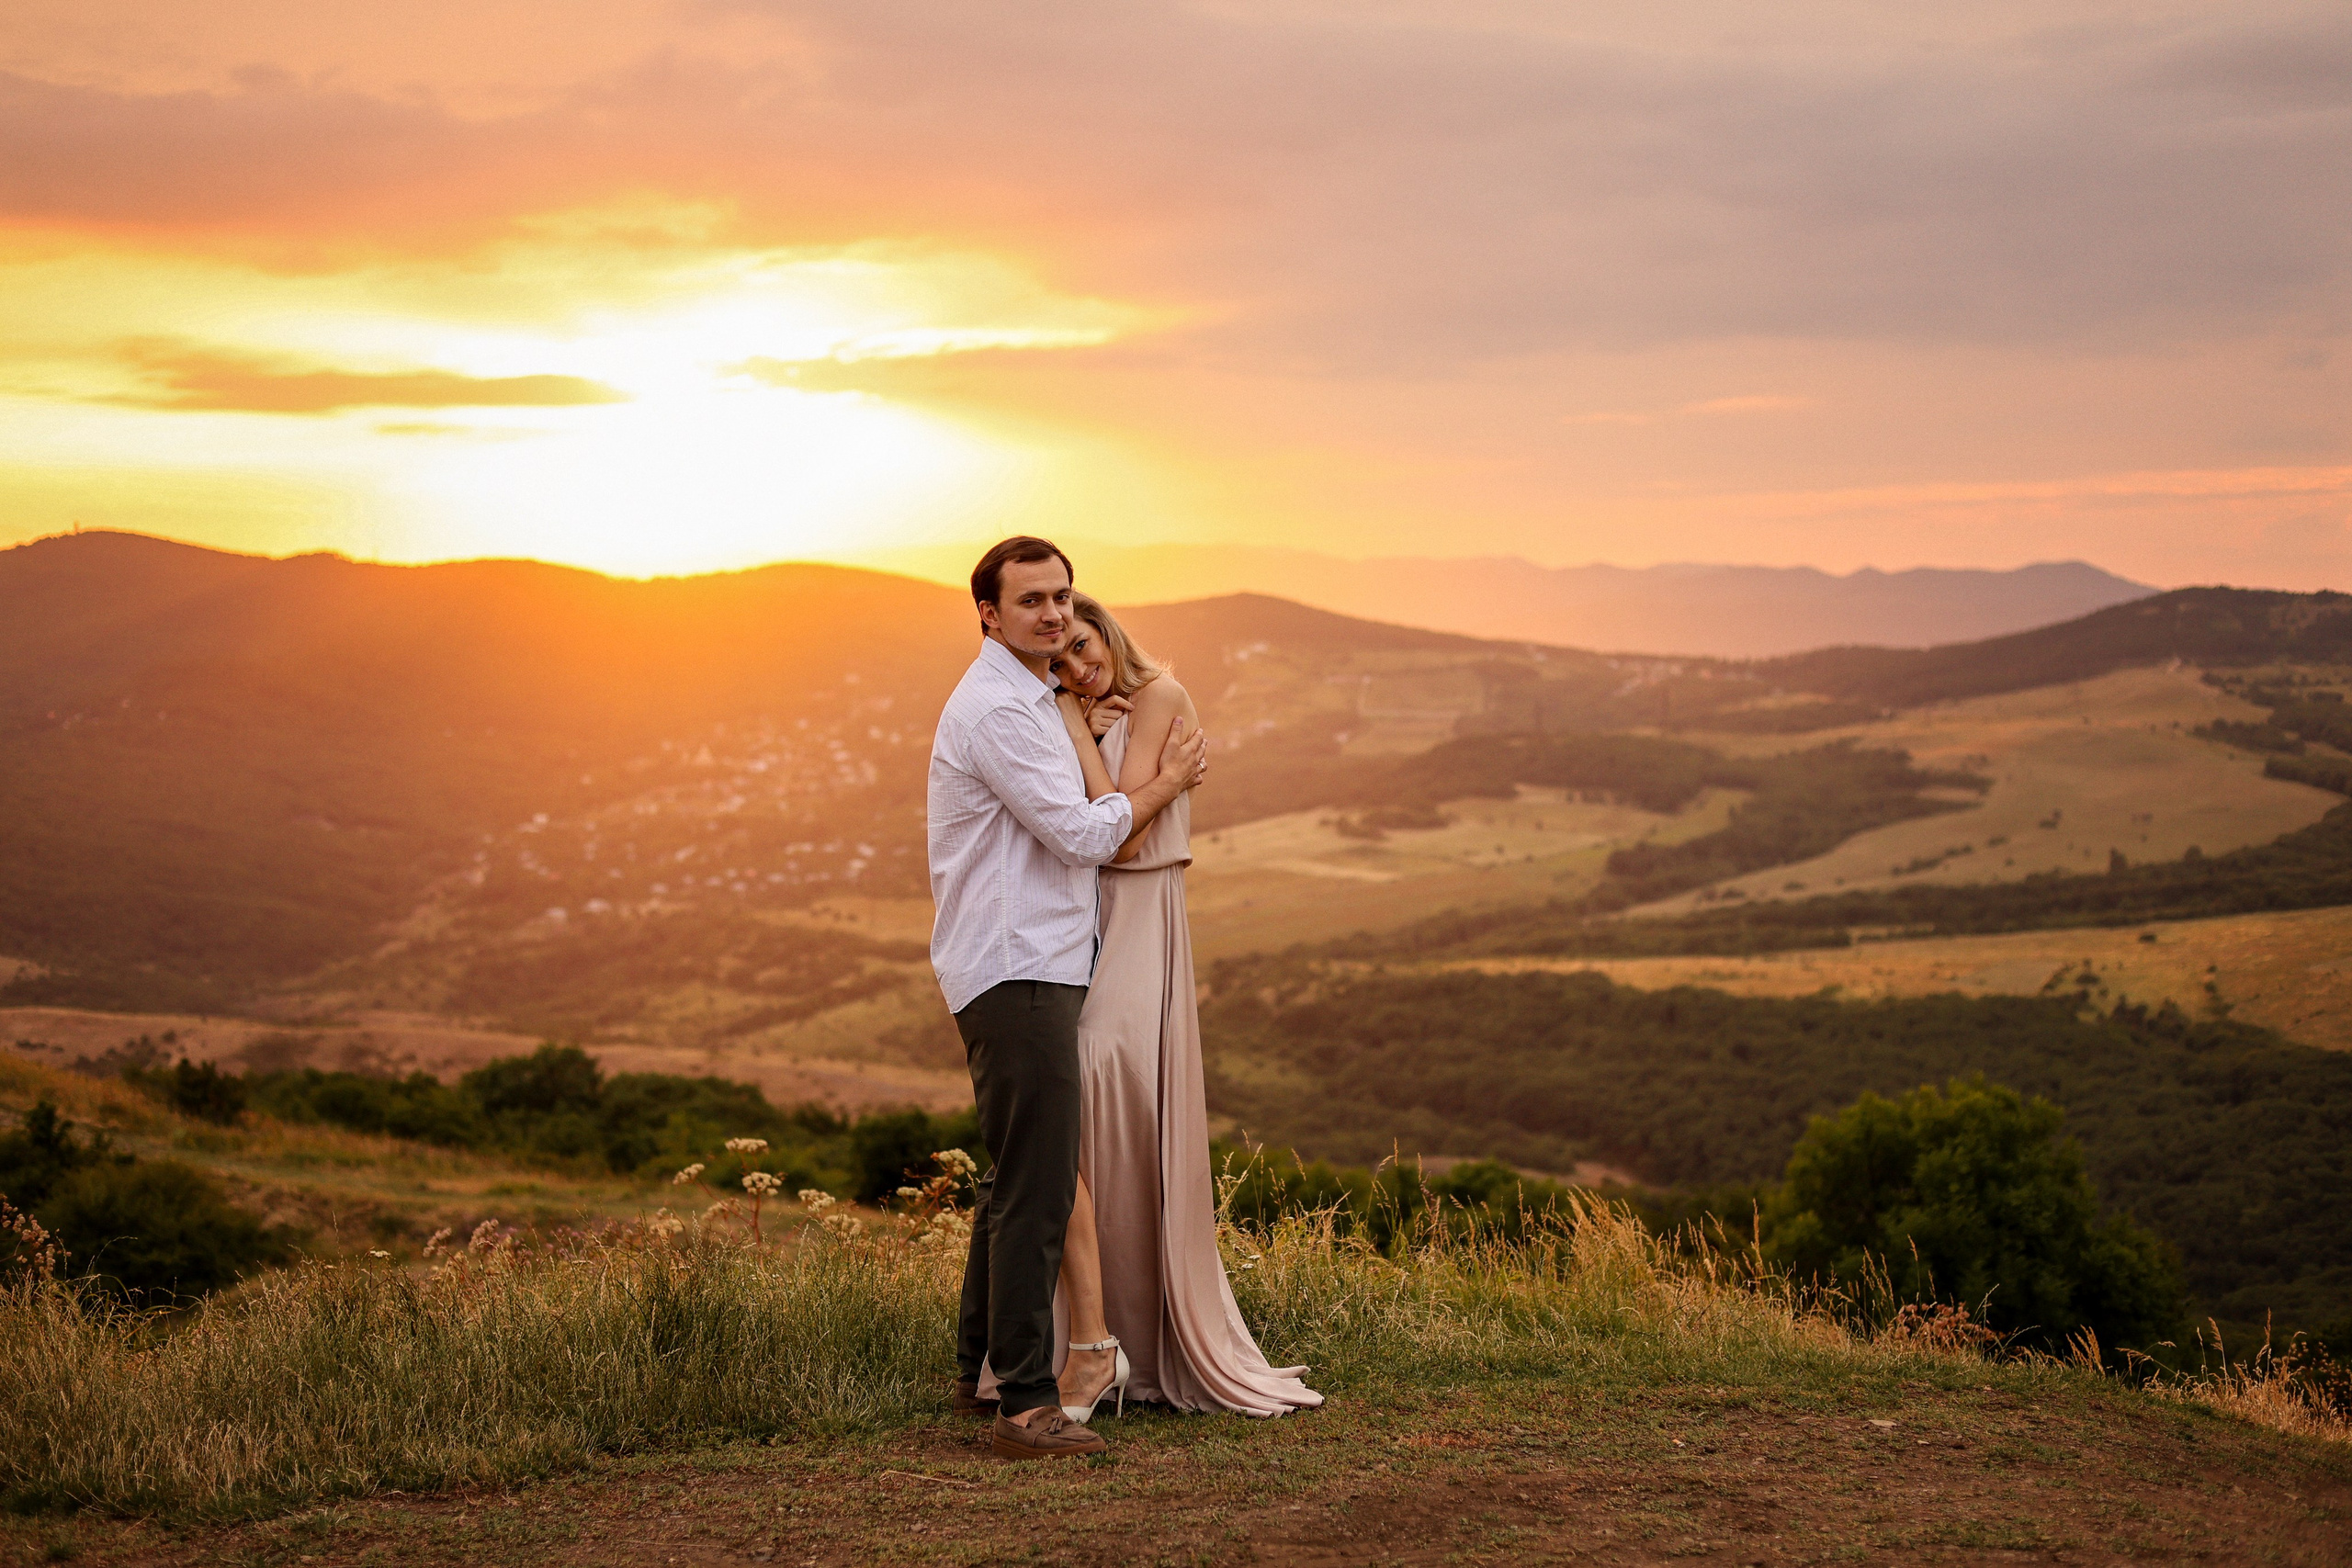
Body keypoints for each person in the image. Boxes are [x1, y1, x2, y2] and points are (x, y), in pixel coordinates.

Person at [927, 536, 1207, 1461]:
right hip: (1021, 966)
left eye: (1062, 597)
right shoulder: (1001, 710)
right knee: (1040, 1187)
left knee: (1015, 1175)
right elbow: (1081, 833)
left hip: (1029, 960)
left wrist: (1082, 715)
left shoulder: (1034, 697)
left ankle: (981, 1374)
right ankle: (1026, 1408)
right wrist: (1165, 782)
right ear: (988, 614)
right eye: (1031, 601)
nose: (1052, 614)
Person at [1037, 591, 1324, 1421]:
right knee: (1090, 1108)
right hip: (1093, 915)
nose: (1078, 669)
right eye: (1060, 665)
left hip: (1140, 906)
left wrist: (1077, 732)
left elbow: (1121, 834)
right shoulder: (1100, 712)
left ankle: (1136, 1342)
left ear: (1107, 630)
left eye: (1083, 648)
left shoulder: (1160, 694)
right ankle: (1092, 1336)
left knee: (1100, 1075)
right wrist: (1089, 734)